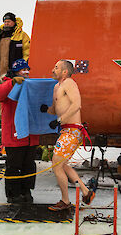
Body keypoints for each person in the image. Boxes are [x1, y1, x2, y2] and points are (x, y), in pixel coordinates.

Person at [40, 60, 95, 211]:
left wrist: (60, 120)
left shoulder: (69, 83)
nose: (53, 70)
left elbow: (76, 104)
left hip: (72, 130)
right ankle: (86, 192)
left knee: (57, 164)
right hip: (65, 130)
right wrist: (47, 110)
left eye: (56, 67)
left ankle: (65, 201)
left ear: (65, 72)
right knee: (62, 164)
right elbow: (56, 109)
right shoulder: (57, 86)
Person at [0, 59, 39, 204]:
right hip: (14, 135)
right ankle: (13, 194)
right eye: (22, 70)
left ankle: (26, 191)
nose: (26, 72)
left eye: (27, 69)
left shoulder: (31, 85)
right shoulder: (7, 84)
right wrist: (12, 83)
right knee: (14, 166)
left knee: (29, 165)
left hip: (30, 134)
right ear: (15, 72)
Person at [0, 12, 30, 126]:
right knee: (0, 100)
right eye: (5, 21)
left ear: (14, 22)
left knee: (15, 100)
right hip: (0, 74)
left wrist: (21, 69)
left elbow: (27, 53)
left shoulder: (22, 36)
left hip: (15, 75)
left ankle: (15, 126)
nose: (6, 23)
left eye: (8, 21)